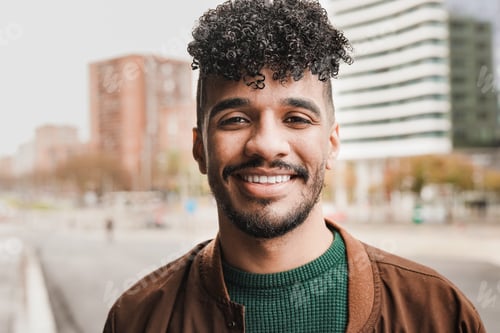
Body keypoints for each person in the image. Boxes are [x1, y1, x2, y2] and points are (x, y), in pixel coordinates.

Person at [103, 0, 485, 332]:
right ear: (199, 149)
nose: (267, 145)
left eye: (297, 119)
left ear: (332, 144)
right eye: (235, 119)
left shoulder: (439, 313)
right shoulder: (136, 319)